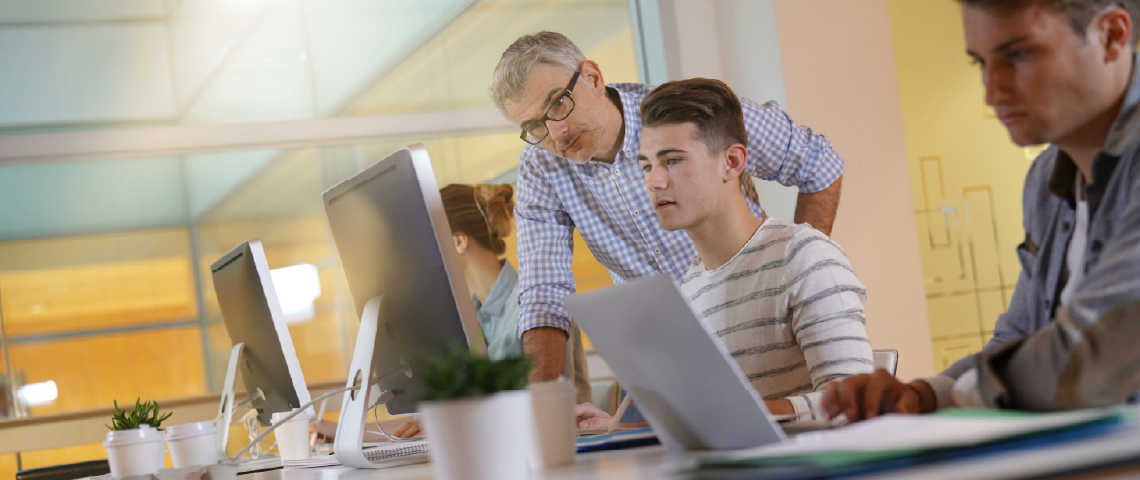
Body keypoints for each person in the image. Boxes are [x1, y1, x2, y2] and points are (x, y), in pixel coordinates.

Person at [822, 0, 1140, 421]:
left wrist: (956, 397)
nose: (992, 92)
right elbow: (1020, 338)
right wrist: (921, 395)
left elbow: (1090, 353)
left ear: (1112, 35)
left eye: (1018, 55)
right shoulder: (1045, 180)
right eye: (981, 64)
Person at [491, 31, 849, 384]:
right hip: (671, 361)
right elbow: (543, 289)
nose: (556, 132)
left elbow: (818, 164)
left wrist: (798, 272)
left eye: (558, 104)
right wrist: (542, 403)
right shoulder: (542, 166)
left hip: (755, 329)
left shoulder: (685, 118)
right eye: (535, 125)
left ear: (592, 77)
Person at [575, 78, 873, 429]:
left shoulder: (805, 256)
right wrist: (614, 427)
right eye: (646, 165)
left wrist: (736, 412)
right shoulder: (691, 287)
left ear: (731, 163)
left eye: (672, 160)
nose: (653, 182)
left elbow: (856, 403)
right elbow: (697, 422)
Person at [316, 183, 590, 440]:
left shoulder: (535, 305)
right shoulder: (468, 317)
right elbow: (454, 414)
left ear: (459, 242)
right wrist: (351, 432)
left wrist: (448, 423)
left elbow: (530, 411)